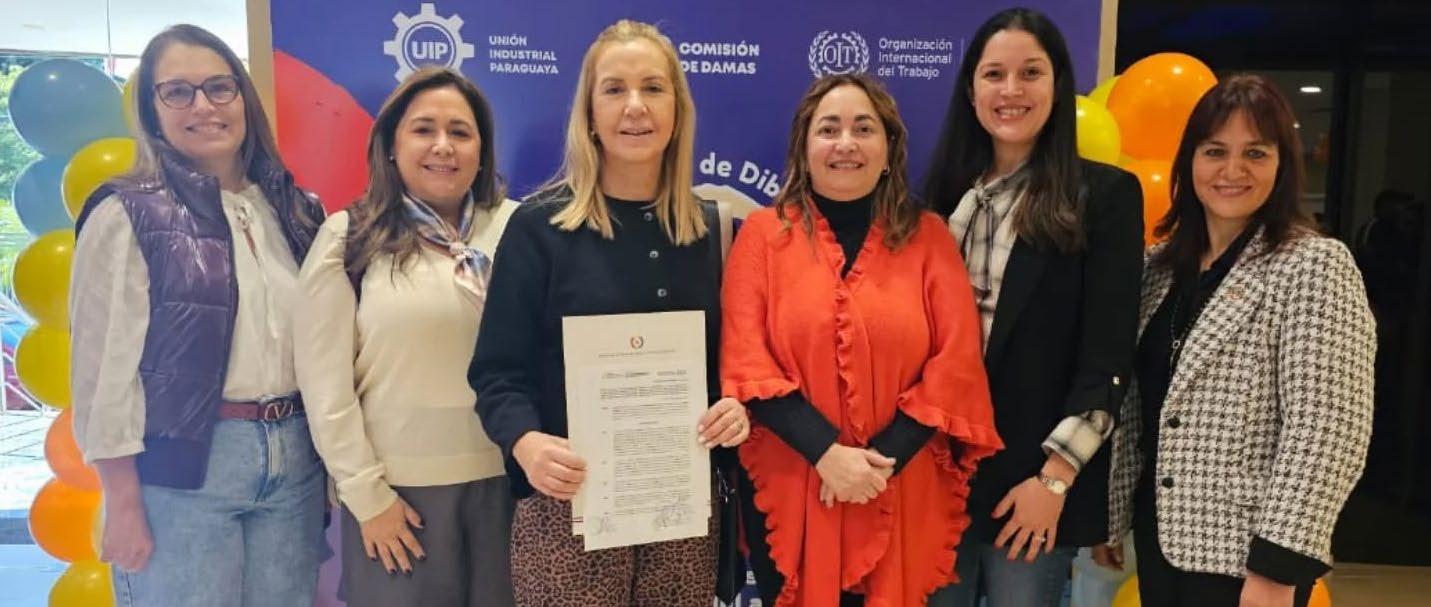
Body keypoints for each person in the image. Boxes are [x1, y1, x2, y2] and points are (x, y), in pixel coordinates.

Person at [467, 19, 747, 606]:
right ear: (589, 114)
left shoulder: (712, 232)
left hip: (681, 513)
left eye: (653, 88)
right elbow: (497, 374)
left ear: (677, 111)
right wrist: (526, 443)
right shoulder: (538, 229)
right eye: (615, 89)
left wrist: (734, 408)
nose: (635, 106)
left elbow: (738, 368)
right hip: (568, 509)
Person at [721, 73, 1003, 606]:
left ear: (889, 149)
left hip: (897, 487)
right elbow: (746, 361)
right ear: (804, 149)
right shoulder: (760, 236)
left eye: (864, 129)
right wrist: (827, 455)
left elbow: (956, 362)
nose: (846, 143)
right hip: (794, 483)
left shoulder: (930, 238)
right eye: (829, 129)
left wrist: (875, 466)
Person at [69, 23, 327, 607]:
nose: (204, 106)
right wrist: (122, 500)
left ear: (243, 98)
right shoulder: (125, 213)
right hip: (184, 472)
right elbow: (101, 373)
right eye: (178, 92)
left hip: (296, 462)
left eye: (219, 87)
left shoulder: (293, 210)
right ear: (151, 109)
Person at [1096, 74, 1376, 607]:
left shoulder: (1313, 266)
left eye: (1255, 153)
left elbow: (1329, 429)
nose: (1232, 170)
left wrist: (1278, 565)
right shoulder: (1158, 270)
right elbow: (1138, 407)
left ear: (1282, 165)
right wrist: (1114, 513)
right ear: (1189, 162)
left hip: (1248, 557)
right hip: (1160, 539)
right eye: (1214, 151)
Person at [922, 8, 1145, 606]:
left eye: (1030, 73)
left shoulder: (1104, 197)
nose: (1011, 91)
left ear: (1058, 84)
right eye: (994, 74)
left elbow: (1107, 361)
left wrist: (1055, 479)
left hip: (1030, 486)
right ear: (971, 90)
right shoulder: (943, 199)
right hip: (936, 481)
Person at [293, 66, 518, 606]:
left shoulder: (518, 229)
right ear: (392, 146)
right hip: (398, 502)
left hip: (511, 490)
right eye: (423, 129)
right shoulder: (348, 237)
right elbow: (324, 388)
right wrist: (367, 497)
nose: (443, 146)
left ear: (482, 151)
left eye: (460, 132)